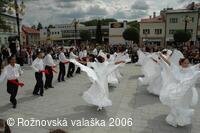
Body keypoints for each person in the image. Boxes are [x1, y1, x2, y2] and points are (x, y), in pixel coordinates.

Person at [159, 54, 200, 127]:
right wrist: (162, 56)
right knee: (177, 105)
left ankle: (182, 120)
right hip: (178, 91)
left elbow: (198, 65)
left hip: (187, 92)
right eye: (185, 63)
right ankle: (174, 119)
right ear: (181, 63)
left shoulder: (191, 69)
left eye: (188, 63)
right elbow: (169, 63)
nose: (187, 64)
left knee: (184, 106)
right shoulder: (176, 69)